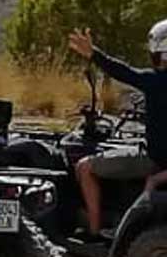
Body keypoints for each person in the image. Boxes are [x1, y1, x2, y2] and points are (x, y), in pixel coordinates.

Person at [67, 23, 167, 239]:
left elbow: (123, 72)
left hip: (156, 160)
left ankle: (94, 232)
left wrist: (94, 54)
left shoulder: (156, 81)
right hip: (160, 161)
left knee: (85, 167)